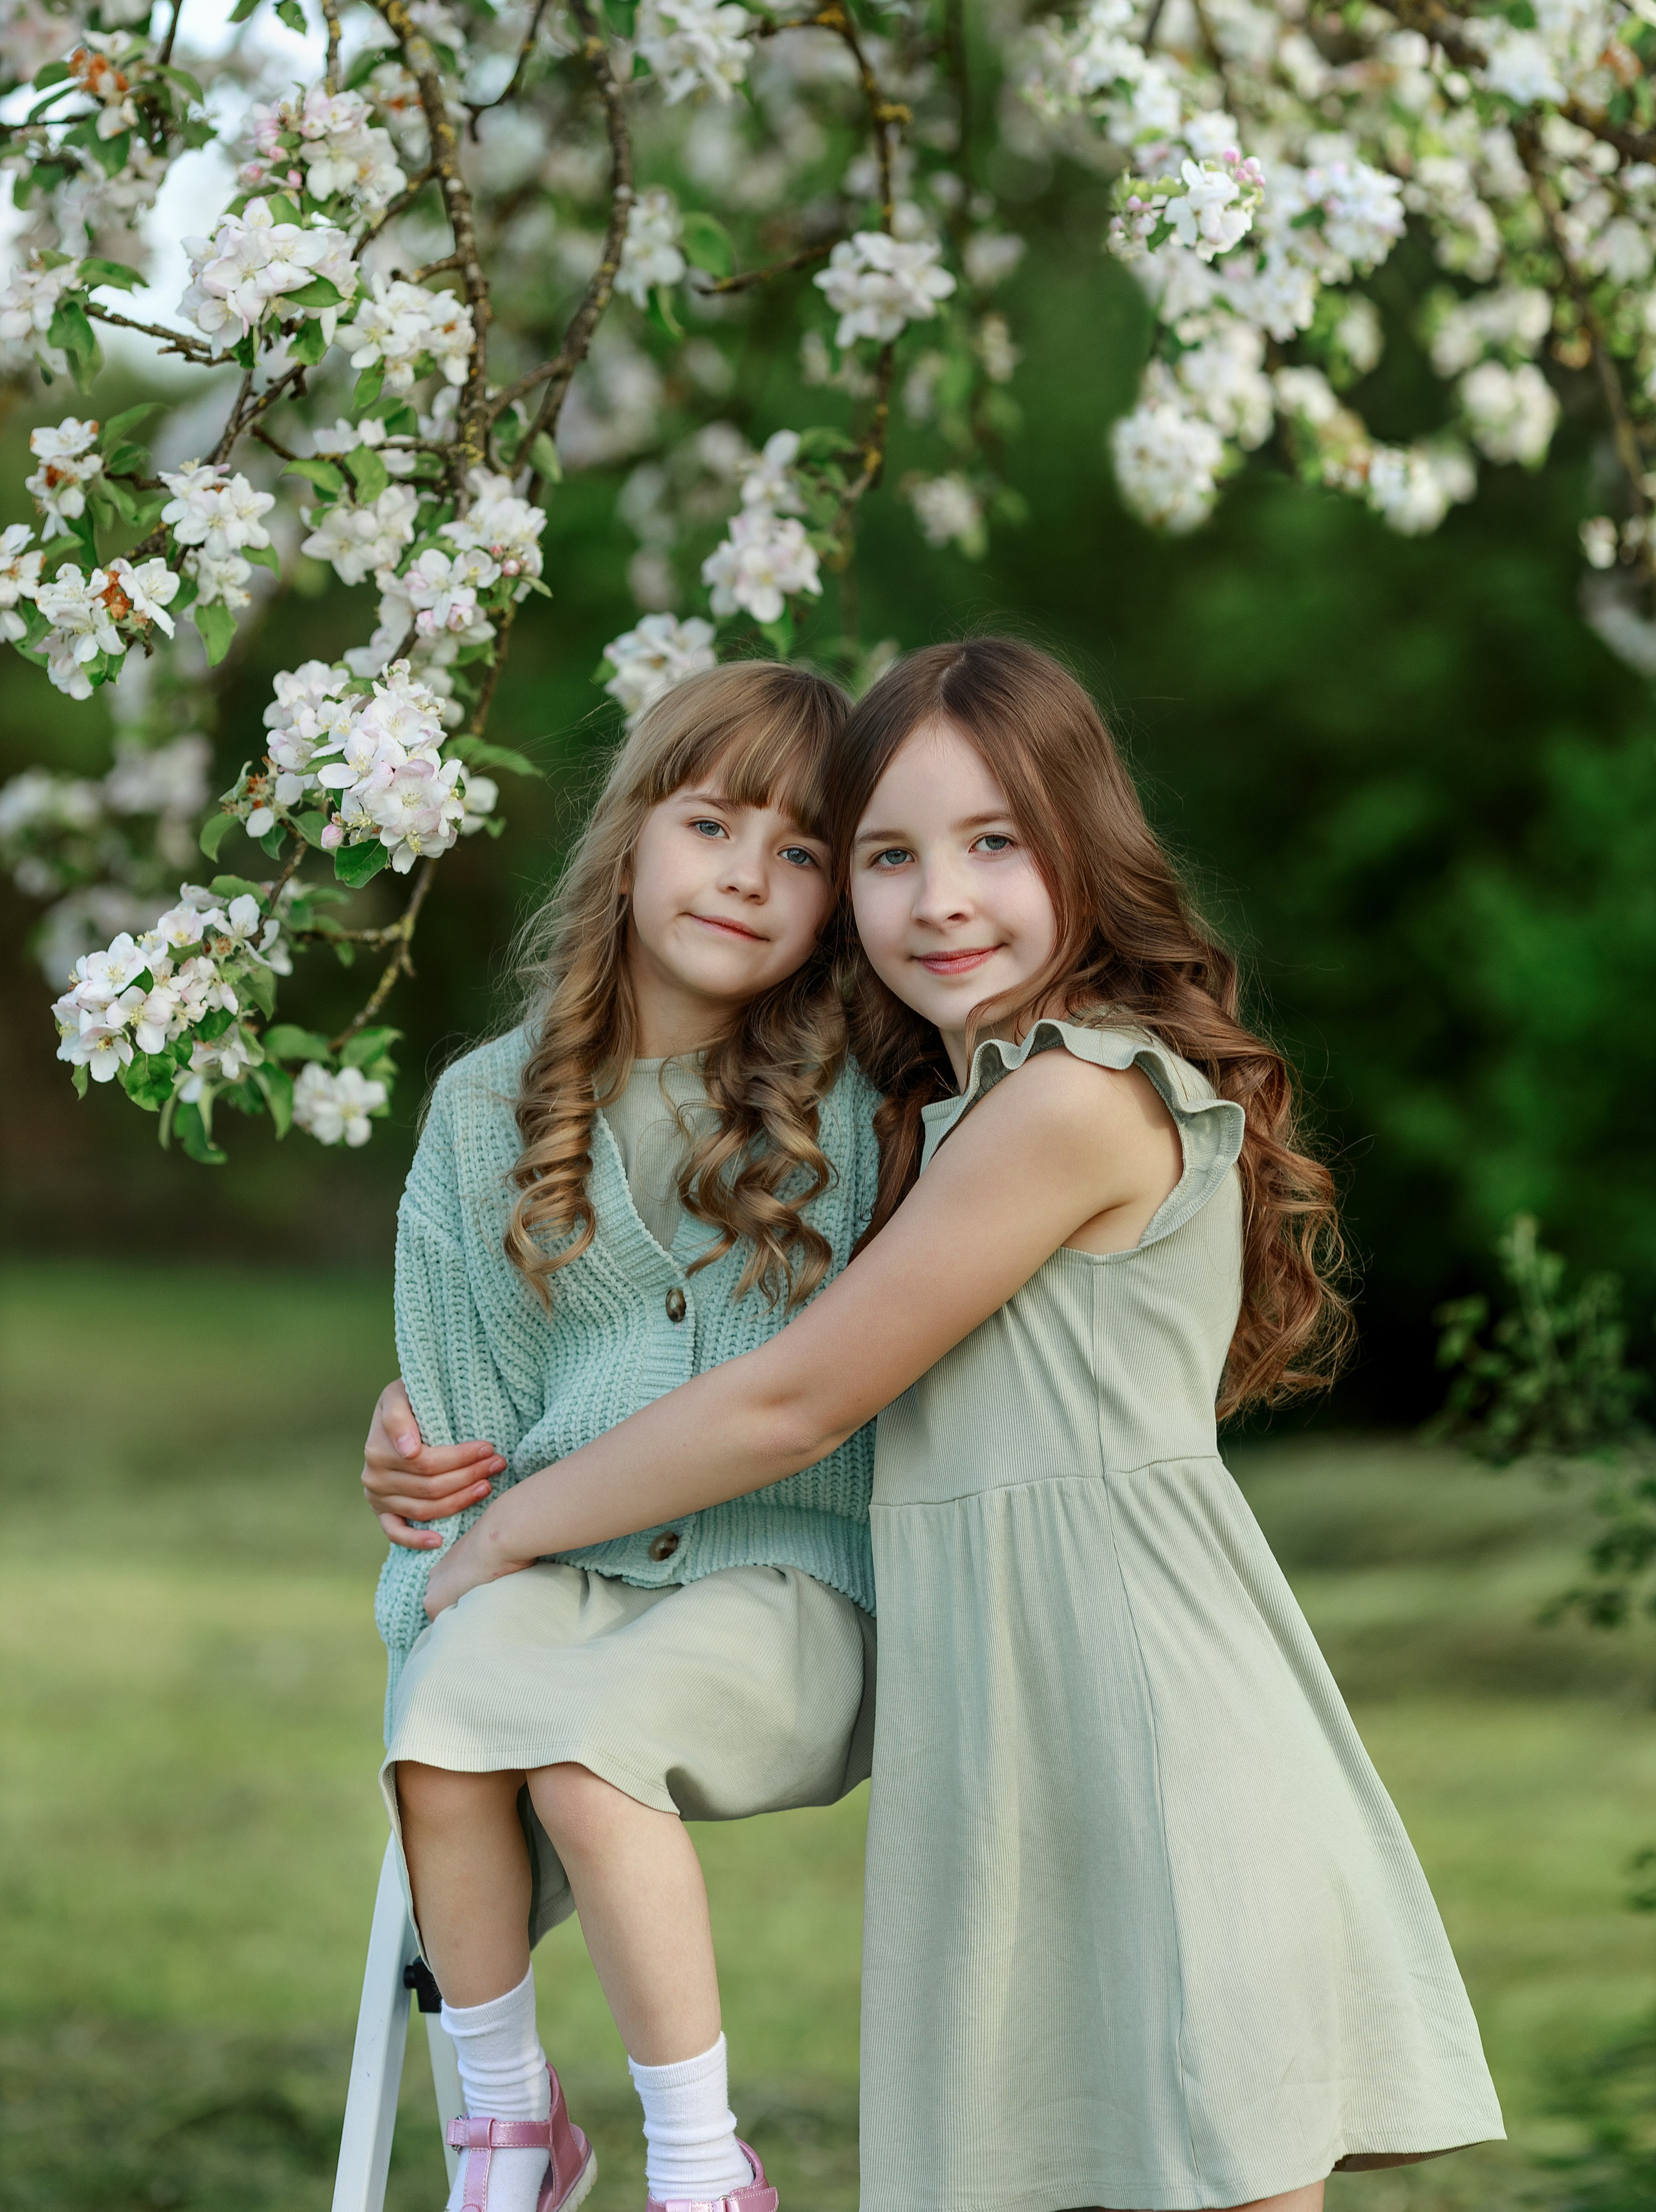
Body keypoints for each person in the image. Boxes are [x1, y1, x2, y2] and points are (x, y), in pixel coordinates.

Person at [421, 638, 1507, 2212]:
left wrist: (511, 1526)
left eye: (993, 842)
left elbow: (792, 1398)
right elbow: (694, 1324)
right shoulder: (941, 1113)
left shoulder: (1069, 1101)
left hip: (1149, 1721)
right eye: (887, 856)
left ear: (1083, 846)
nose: (940, 899)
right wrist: (436, 1401)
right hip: (1010, 1729)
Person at [370, 662, 882, 2212]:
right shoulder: (486, 1111)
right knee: (441, 1728)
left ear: (836, 902)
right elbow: (460, 1427)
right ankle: (511, 2131)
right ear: (629, 841)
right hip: (560, 1564)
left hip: (787, 1578)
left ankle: (700, 2168)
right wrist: (426, 1568)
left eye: (799, 853)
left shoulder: (859, 1108)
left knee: (586, 1762)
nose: (745, 875)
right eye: (710, 824)